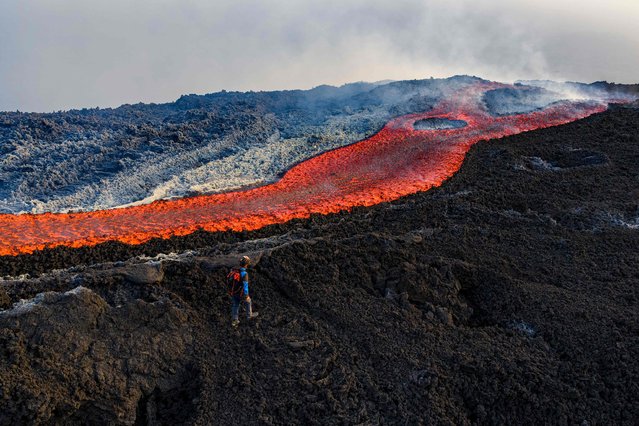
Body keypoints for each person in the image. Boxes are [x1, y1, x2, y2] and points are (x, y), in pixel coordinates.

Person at [227, 255, 258, 327]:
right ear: (247, 264)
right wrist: (246, 295)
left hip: (233, 292)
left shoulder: (234, 270)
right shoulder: (244, 274)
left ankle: (235, 321)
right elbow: (245, 286)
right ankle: (249, 316)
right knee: (248, 301)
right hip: (240, 293)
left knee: (235, 305)